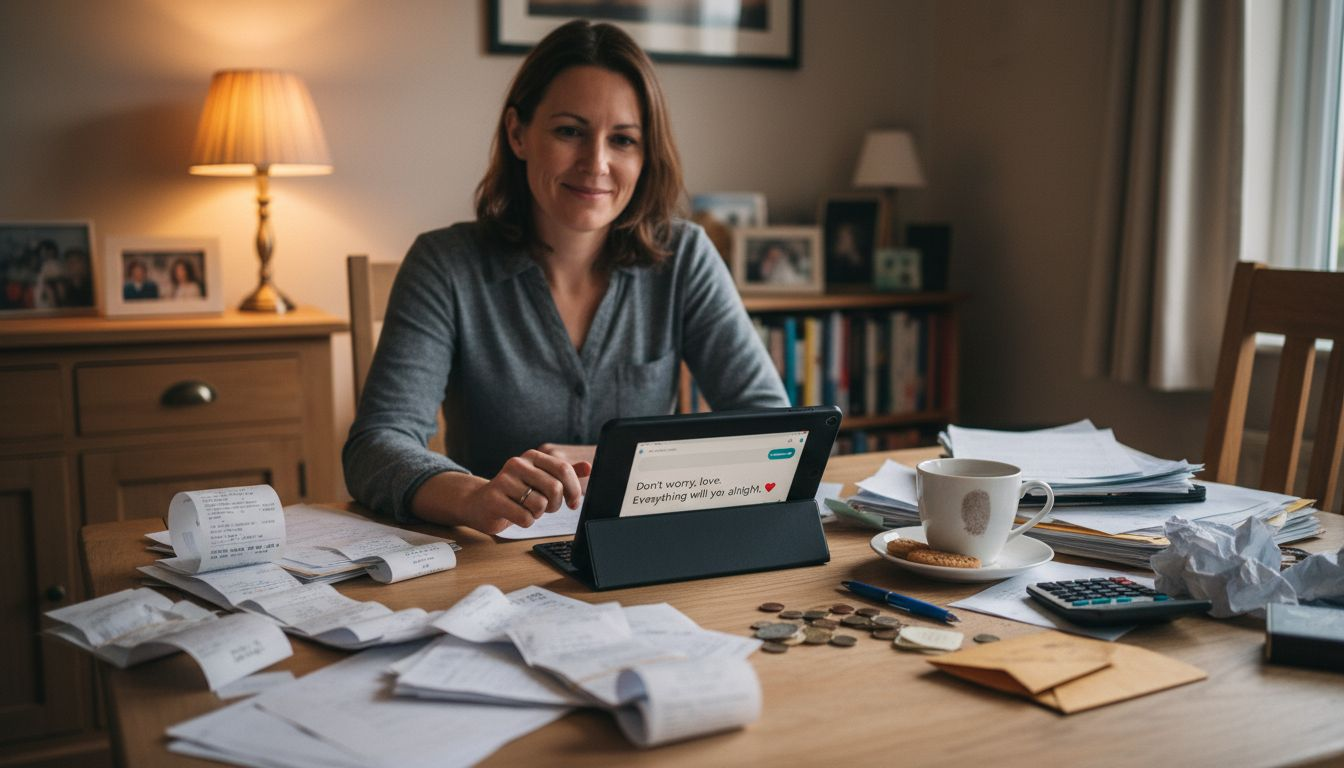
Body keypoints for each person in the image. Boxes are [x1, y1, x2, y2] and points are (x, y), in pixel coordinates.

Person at [343, 20, 787, 535]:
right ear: (518, 134)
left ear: (645, 157)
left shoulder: (683, 256)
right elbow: (376, 443)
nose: (596, 163)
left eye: (622, 140)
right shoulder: (445, 263)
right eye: (569, 131)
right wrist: (472, 496)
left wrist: (615, 460)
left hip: (644, 548)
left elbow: (772, 433)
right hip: (496, 560)